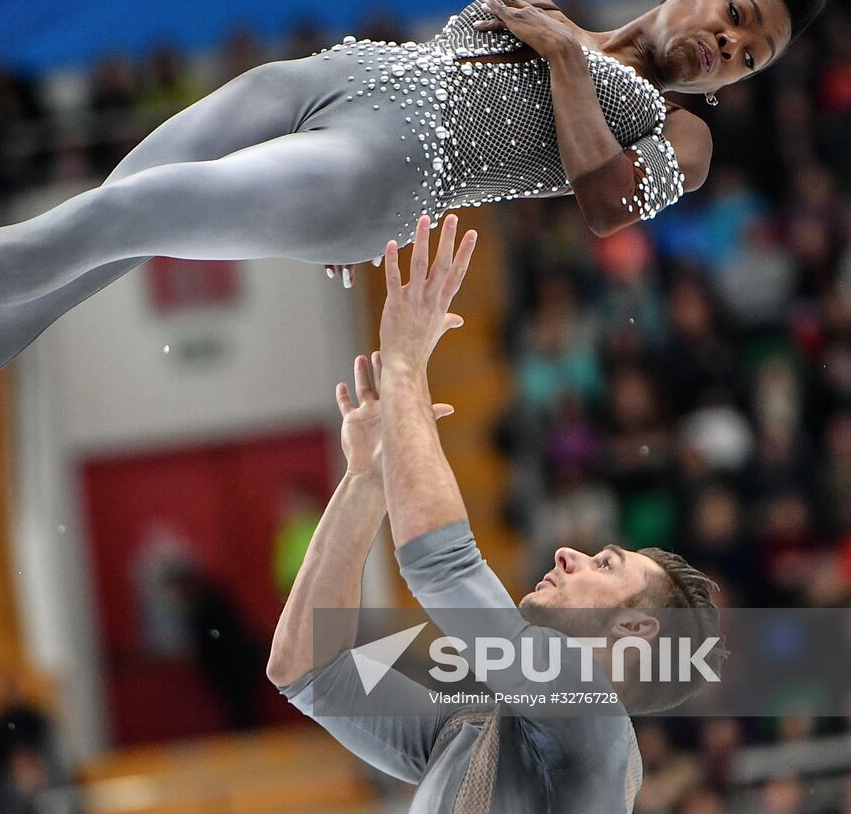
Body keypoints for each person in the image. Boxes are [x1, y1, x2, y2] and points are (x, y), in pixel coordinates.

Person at [0, 0, 829, 575]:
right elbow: (454, 70)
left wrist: (569, 63)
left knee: (104, 226)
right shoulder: (552, 18)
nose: (731, 46)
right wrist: (557, 42)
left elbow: (608, 205)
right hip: (321, 84)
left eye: (754, 53)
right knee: (80, 249)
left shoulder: (676, 130)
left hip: (374, 174)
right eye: (734, 15)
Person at [267, 215, 725, 812]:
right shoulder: (474, 726)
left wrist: (405, 361)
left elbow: (444, 568)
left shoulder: (593, 718)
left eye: (605, 566)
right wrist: (365, 478)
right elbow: (308, 672)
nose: (570, 553)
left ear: (635, 631)